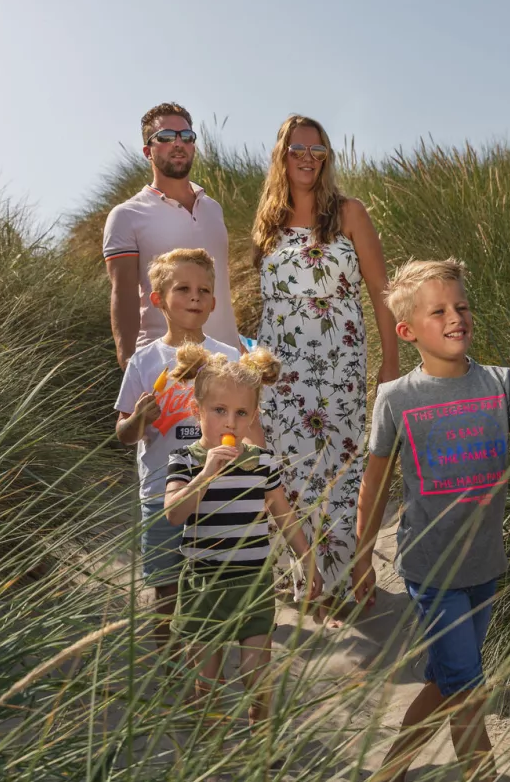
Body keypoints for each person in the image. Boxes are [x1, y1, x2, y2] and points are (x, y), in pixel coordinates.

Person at [355, 258, 510, 782]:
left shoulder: (499, 382)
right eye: (439, 311)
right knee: (467, 686)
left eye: (462, 307)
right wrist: (361, 558)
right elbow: (373, 485)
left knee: (447, 677)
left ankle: (392, 766)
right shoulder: (396, 397)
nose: (455, 318)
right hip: (428, 564)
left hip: (484, 563)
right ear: (407, 331)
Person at [252, 115, 398, 617]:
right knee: (288, 469)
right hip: (280, 370)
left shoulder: (349, 213)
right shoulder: (266, 221)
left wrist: (390, 363)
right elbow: (267, 304)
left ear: (327, 157)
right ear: (282, 155)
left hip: (339, 363)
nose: (308, 158)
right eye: (298, 149)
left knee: (341, 466)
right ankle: (306, 575)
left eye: (318, 150)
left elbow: (383, 295)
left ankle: (354, 566)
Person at [164, 345, 321, 721]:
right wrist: (205, 476)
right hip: (205, 583)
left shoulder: (262, 463)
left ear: (254, 416)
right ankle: (212, 745)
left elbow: (283, 514)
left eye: (241, 413)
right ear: (197, 411)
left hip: (252, 582)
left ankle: (261, 738)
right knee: (207, 677)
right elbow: (173, 514)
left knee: (256, 675)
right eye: (219, 411)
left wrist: (307, 558)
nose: (230, 423)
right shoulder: (185, 460)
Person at [114, 249, 241, 648]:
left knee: (215, 590)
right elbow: (123, 433)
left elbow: (248, 422)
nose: (195, 297)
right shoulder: (145, 361)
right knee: (166, 592)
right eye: (182, 288)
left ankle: (206, 671)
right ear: (157, 299)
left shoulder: (228, 357)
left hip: (218, 494)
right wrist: (139, 419)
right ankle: (171, 671)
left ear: (214, 303)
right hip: (160, 495)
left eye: (204, 290)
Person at [104, 102, 240, 368]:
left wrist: (238, 350)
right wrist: (129, 362)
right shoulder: (127, 215)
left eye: (186, 137)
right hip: (164, 365)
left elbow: (221, 288)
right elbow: (124, 294)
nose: (178, 144)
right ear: (148, 151)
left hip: (225, 363)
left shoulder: (213, 209)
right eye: (166, 137)